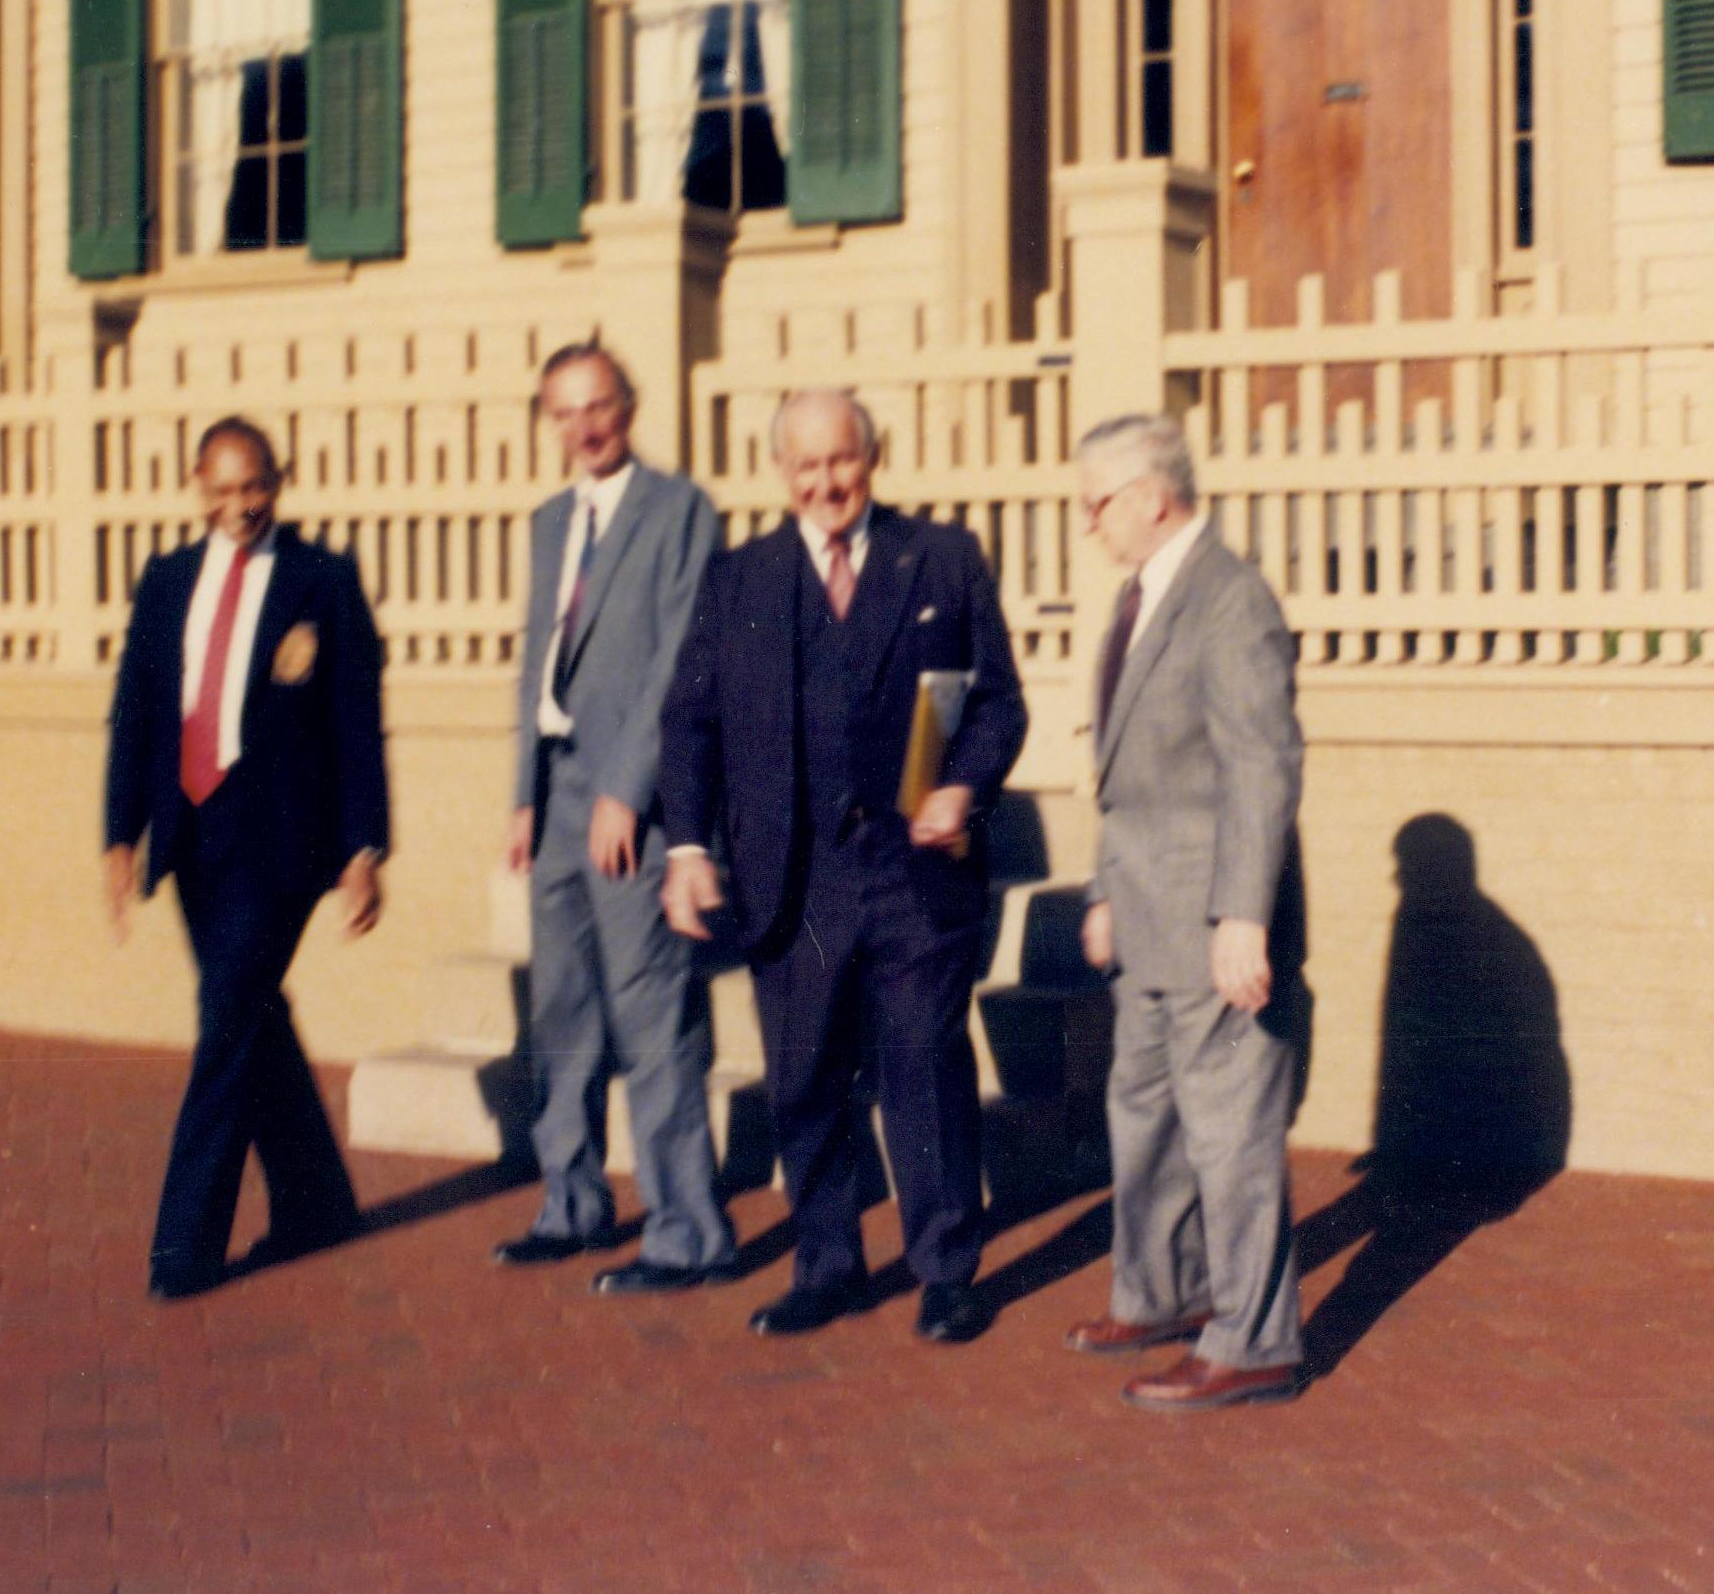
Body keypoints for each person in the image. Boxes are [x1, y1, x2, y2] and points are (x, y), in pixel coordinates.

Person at [660, 389, 1027, 1344]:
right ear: (780, 473)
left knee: (923, 1065)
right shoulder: (738, 579)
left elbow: (993, 705)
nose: (827, 482)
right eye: (806, 466)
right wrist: (688, 848)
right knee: (804, 1074)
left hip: (914, 870)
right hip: (793, 875)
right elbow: (689, 720)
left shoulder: (940, 558)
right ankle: (826, 1265)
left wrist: (961, 787)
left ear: (873, 457)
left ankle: (946, 1269)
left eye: (843, 461)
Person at [102, 416, 388, 1300]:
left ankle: (183, 1250)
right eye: (221, 490)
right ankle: (318, 1203)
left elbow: (354, 720)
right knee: (248, 1011)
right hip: (191, 835)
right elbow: (136, 713)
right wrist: (119, 837)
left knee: (225, 1020)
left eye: (253, 485)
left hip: (282, 845)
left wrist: (362, 848)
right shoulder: (166, 580)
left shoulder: (322, 581)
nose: (239, 506)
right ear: (196, 486)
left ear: (279, 479)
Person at [1064, 413, 1308, 1409]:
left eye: (1095, 503)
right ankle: (1162, 1291)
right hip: (1146, 917)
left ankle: (1253, 1341)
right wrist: (1102, 892)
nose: (1088, 524)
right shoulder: (1143, 596)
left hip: (1213, 925)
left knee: (1229, 1134)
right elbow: (1130, 774)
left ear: (1148, 495)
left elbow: (1261, 764)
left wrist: (1241, 917)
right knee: (1145, 1117)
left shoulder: (1228, 600)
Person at [492, 343, 737, 1291]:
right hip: (553, 789)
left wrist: (627, 790)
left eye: (598, 405)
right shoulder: (551, 521)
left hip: (627, 793)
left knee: (650, 1011)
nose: (584, 425)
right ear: (548, 421)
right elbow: (536, 661)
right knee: (561, 1010)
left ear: (628, 406)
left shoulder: (679, 511)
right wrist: (521, 790)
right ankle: (572, 1203)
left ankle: (688, 1232)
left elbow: (681, 654)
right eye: (564, 411)